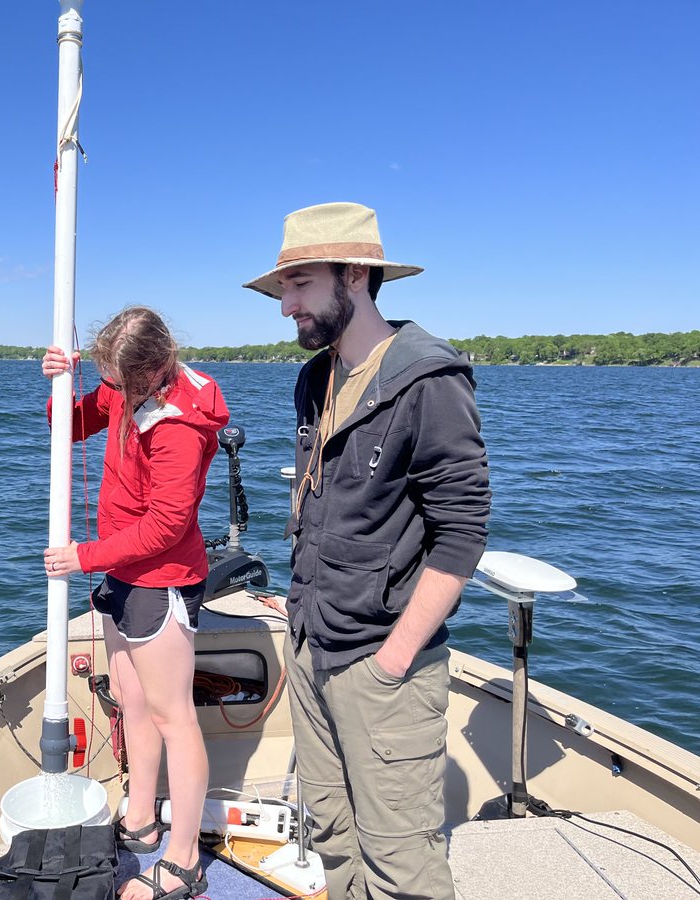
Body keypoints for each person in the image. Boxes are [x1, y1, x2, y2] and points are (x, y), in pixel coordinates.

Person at [242, 202, 491, 900]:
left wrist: (393, 659)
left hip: (384, 665)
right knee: (332, 838)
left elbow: (463, 532)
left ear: (354, 275)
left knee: (401, 867)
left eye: (299, 283)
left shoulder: (429, 381)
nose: (285, 304)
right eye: (283, 287)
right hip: (313, 645)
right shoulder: (314, 379)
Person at [41, 305, 228, 900]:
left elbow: (168, 526)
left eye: (117, 382)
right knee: (130, 699)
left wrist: (86, 556)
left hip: (160, 578)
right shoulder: (127, 388)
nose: (111, 392)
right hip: (123, 572)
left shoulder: (177, 424)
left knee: (174, 716)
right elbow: (67, 427)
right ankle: (141, 818)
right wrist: (59, 385)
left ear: (151, 372)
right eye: (107, 381)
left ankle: (183, 859)